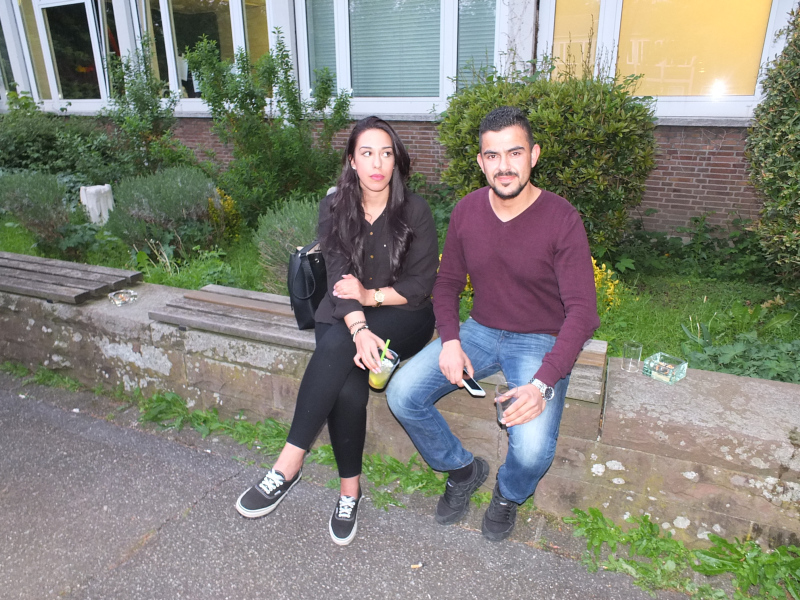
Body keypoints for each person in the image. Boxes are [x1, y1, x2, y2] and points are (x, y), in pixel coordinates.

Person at [386, 106, 600, 542]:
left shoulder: (561, 218)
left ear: (533, 155)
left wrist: (542, 384)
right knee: (402, 393)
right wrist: (450, 341)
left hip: (540, 341)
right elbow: (447, 284)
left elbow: (583, 312)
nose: (504, 166)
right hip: (479, 331)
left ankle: (507, 493)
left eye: (515, 153)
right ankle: (462, 470)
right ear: (481, 162)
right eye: (493, 155)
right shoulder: (467, 211)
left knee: (533, 449)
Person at [235, 117, 439, 546]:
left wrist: (369, 297)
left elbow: (421, 286)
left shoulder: (415, 210)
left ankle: (287, 465)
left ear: (397, 160)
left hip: (404, 313)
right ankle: (350, 493)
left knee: (335, 347)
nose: (377, 163)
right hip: (345, 313)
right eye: (367, 153)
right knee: (346, 387)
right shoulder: (334, 206)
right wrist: (359, 326)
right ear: (352, 160)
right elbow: (337, 274)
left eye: (386, 153)